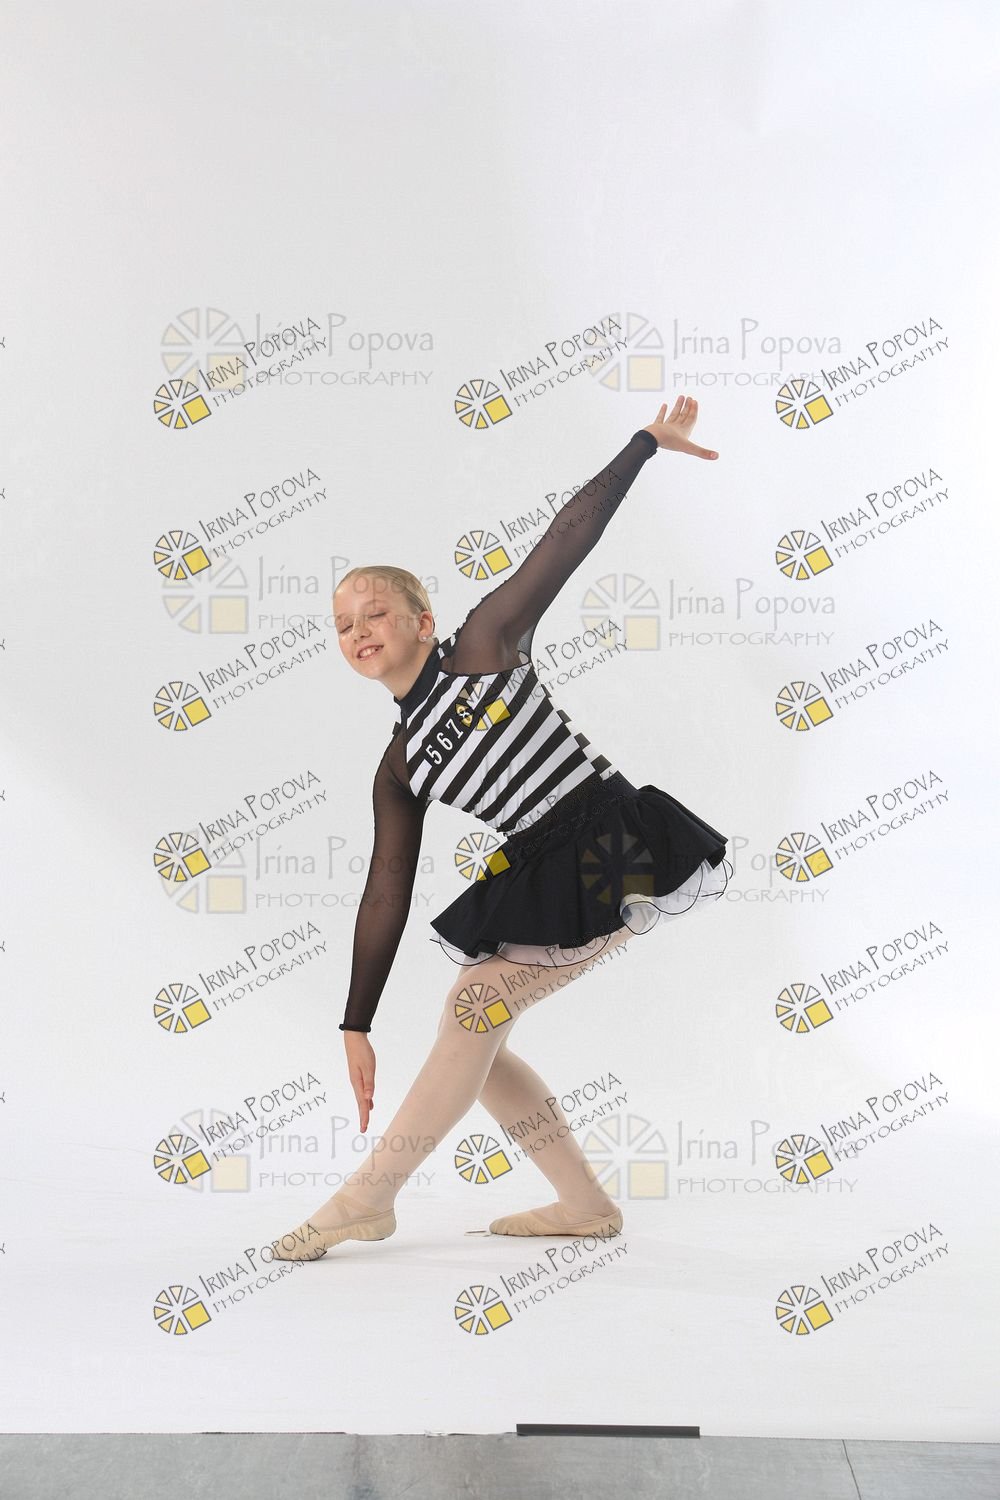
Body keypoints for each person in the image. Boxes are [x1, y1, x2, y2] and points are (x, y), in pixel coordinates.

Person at [271, 396, 732, 1261]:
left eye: (375, 612)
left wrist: (643, 445)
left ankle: (369, 1196)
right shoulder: (400, 767)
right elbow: (385, 890)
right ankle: (584, 1205)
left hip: (610, 843)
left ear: (423, 621)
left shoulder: (483, 646)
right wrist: (354, 1022)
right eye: (343, 625)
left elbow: (564, 540)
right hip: (539, 865)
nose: (358, 630)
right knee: (474, 1027)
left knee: (474, 1009)